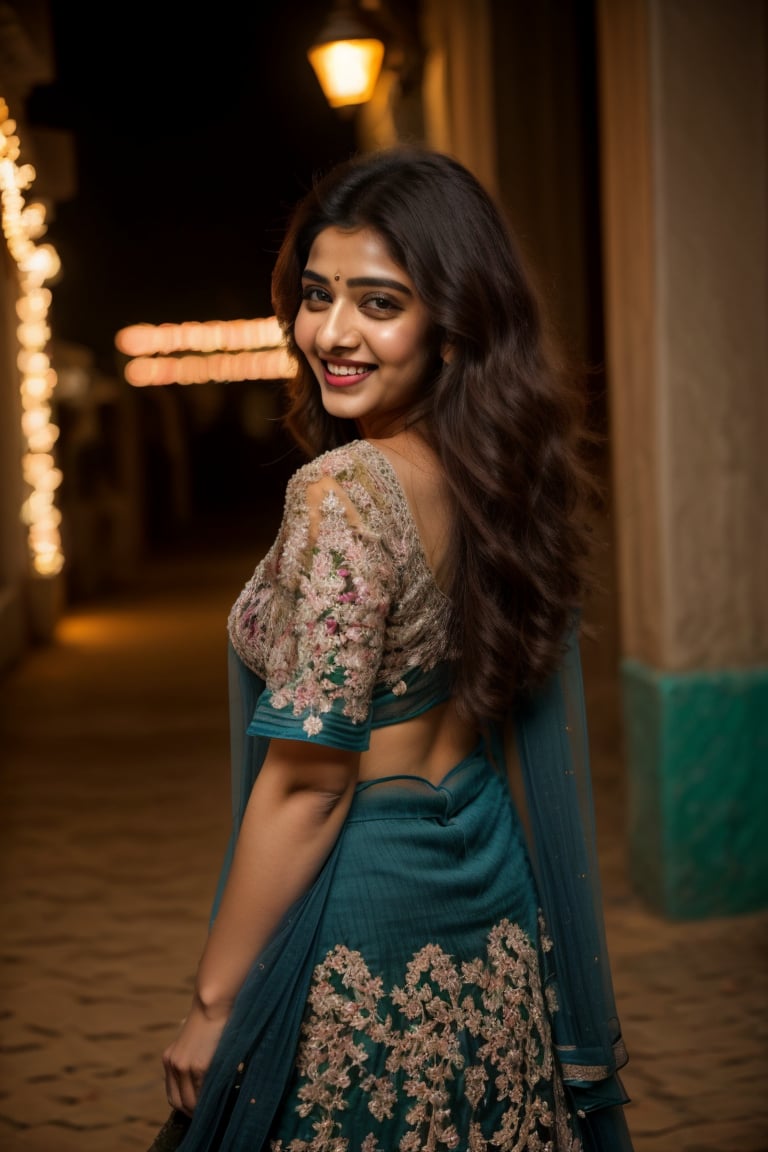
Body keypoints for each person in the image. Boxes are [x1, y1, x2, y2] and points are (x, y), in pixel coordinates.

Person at [159, 145, 634, 1151]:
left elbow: (310, 782)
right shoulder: (500, 466)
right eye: (317, 294)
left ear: (451, 323)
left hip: (365, 904)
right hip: (489, 881)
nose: (331, 333)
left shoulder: (343, 494)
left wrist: (213, 1002)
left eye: (379, 303)